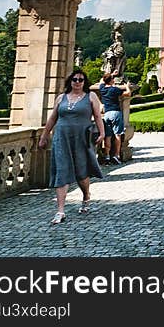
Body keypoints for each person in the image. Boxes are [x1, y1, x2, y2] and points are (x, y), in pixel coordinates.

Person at [37, 70, 105, 224]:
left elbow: (97, 116)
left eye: (80, 80)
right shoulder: (61, 98)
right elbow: (52, 118)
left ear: (84, 82)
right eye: (74, 79)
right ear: (70, 81)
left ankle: (86, 196)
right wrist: (44, 136)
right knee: (62, 171)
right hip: (61, 138)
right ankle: (60, 211)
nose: (77, 82)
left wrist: (102, 133)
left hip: (81, 138)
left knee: (81, 173)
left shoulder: (91, 97)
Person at [90, 73, 130, 165]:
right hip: (116, 113)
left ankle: (107, 155)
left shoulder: (102, 89)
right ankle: (116, 155)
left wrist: (111, 74)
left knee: (107, 135)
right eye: (113, 78)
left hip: (106, 114)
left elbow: (101, 80)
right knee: (117, 134)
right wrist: (127, 86)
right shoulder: (114, 89)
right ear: (111, 80)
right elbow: (128, 94)